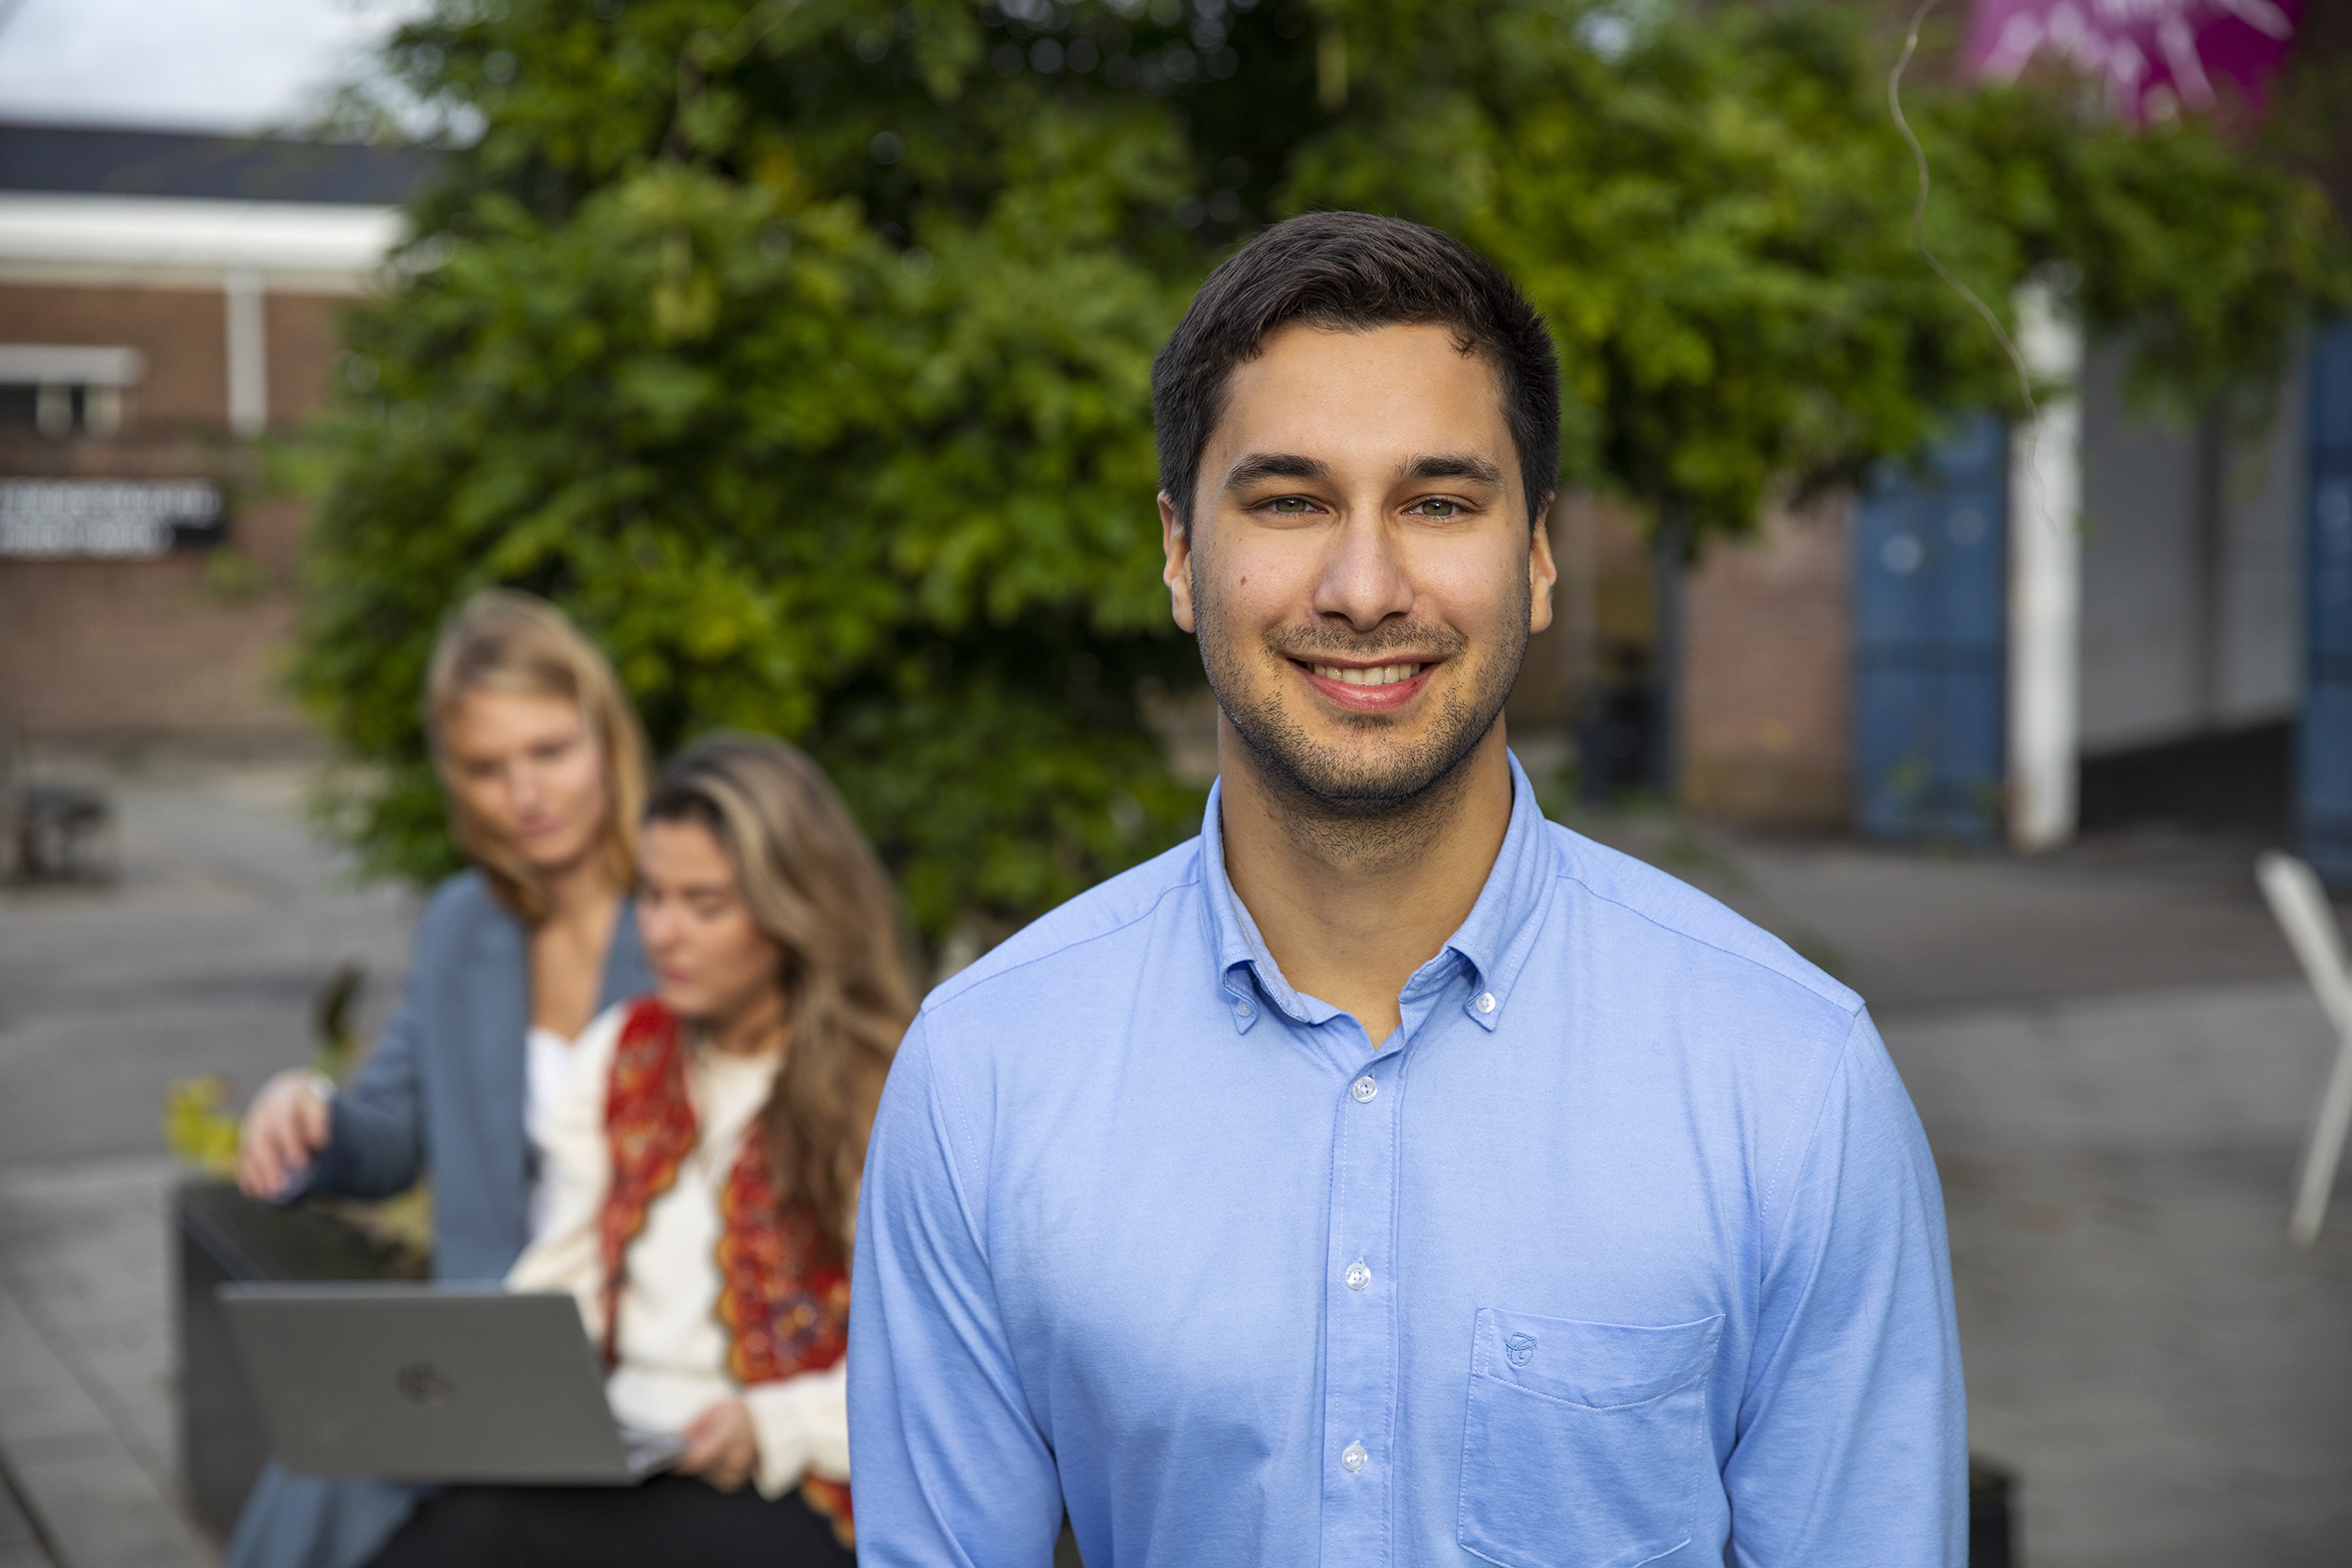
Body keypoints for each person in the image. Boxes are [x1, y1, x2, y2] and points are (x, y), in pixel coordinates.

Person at [849, 212, 1966, 1566]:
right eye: (1288, 500)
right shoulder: (984, 1074)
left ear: (1538, 554)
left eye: (1437, 502)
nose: (1364, 586)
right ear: (1177, 553)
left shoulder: (1788, 1077)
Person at [366, 735, 910, 1566]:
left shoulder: (880, 1085)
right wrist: (483, 1382)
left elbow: (927, 1361)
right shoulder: (622, 1047)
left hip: (797, 1481)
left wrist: (770, 1426)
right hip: (628, 1456)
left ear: (790, 906)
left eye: (705, 903)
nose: (663, 932)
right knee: (450, 1532)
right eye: (651, 896)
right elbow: (564, 1278)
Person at [224, 588, 656, 1568]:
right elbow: (388, 1134)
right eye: (488, 768)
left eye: (550, 751)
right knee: (320, 1469)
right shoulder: (464, 925)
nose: (526, 795)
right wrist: (312, 1116)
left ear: (609, 742)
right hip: (495, 1356)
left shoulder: (689, 916)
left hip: (654, 1357)